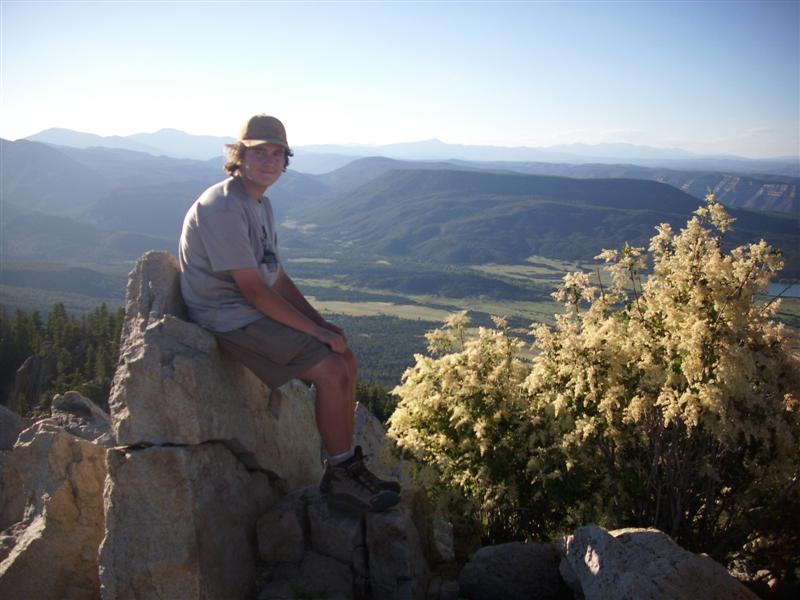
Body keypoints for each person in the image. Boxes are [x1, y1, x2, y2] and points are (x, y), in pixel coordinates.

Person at [178, 114, 400, 513]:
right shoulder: (224, 206)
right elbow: (254, 291)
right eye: (259, 152)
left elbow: (274, 276)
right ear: (239, 156)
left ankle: (347, 465)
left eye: (277, 153)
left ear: (286, 160)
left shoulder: (258, 203)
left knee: (346, 358)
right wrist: (316, 335)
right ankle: (341, 475)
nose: (269, 160)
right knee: (331, 370)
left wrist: (320, 323)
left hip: (248, 308)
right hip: (227, 315)